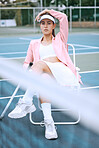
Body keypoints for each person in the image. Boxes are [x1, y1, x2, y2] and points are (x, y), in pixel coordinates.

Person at [8, 9, 82, 140]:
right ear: (40, 25)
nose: (46, 25)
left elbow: (64, 17)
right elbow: (27, 62)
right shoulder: (34, 44)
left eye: (49, 23)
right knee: (43, 79)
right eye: (43, 23)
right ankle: (49, 123)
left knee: (40, 64)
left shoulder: (60, 39)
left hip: (63, 74)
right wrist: (25, 72)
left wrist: (47, 11)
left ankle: (26, 102)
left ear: (54, 26)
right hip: (46, 76)